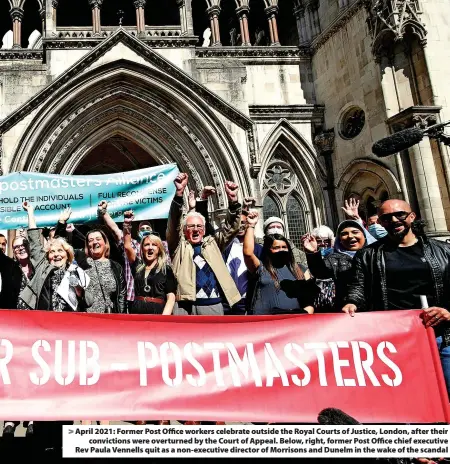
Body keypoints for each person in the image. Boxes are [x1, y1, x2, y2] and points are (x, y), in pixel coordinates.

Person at [342, 199, 450, 398]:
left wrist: (448, 312)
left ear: (411, 216)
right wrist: (352, 303)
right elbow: (358, 287)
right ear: (381, 223)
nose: (394, 220)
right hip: (395, 340)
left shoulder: (443, 251)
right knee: (410, 398)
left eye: (399, 214)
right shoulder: (368, 255)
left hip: (441, 336)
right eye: (386, 218)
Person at [167, 173, 242, 316]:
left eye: (199, 226)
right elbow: (173, 224)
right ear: (184, 230)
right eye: (191, 227)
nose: (195, 229)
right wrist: (179, 194)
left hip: (212, 305)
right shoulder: (178, 246)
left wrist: (233, 202)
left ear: (204, 229)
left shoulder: (214, 244)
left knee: (215, 339)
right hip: (184, 306)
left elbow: (230, 228)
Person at [98, 200, 170, 309]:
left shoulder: (163, 245)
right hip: (134, 298)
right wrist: (104, 212)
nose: (145, 230)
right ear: (137, 232)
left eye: (148, 228)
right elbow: (115, 230)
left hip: (158, 300)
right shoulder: (132, 244)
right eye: (142, 229)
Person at [243, 211, 314, 315]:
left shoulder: (301, 269)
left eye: (284, 247)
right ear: (268, 250)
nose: (281, 250)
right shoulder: (261, 267)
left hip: (294, 322)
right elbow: (248, 253)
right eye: (276, 248)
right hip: (264, 322)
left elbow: (309, 300)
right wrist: (250, 226)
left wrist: (306, 315)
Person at [302, 220, 376, 312]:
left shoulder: (377, 254)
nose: (350, 236)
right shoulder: (335, 259)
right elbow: (320, 271)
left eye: (355, 232)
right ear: (339, 239)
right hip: (348, 311)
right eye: (344, 234)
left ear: (364, 235)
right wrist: (312, 253)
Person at [123, 210, 177, 315]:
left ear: (159, 249)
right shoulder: (137, 266)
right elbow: (127, 246)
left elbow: (171, 297)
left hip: (158, 312)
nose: (150, 248)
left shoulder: (166, 269)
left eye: (154, 245)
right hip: (137, 311)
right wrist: (127, 224)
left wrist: (164, 318)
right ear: (142, 249)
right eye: (147, 245)